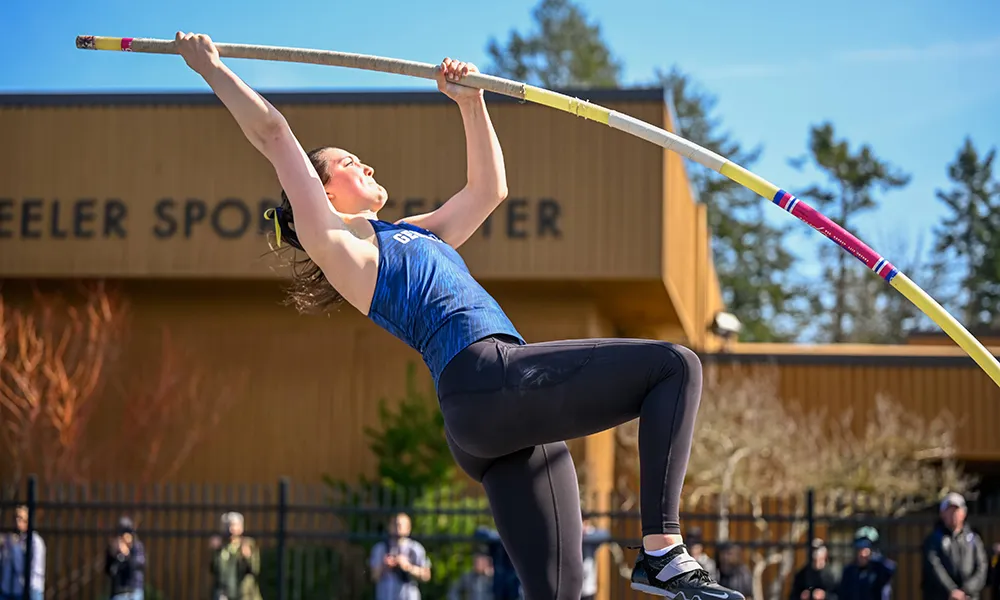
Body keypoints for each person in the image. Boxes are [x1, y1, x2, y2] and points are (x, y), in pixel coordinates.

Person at [173, 30, 742, 600]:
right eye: (347, 162)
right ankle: (663, 551)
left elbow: (489, 189)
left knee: (563, 593)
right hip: (486, 380)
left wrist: (471, 103)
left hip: (489, 415)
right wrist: (211, 69)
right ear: (321, 194)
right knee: (674, 366)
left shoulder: (407, 234)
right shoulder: (344, 248)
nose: (364, 163)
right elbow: (274, 133)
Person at [921, 493, 989, 600]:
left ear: (964, 513)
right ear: (942, 514)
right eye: (949, 510)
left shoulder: (974, 539)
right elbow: (934, 566)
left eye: (956, 510)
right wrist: (952, 590)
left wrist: (966, 590)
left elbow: (982, 567)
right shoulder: (934, 539)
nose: (953, 514)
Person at [368, 512, 432, 600]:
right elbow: (373, 577)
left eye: (400, 525)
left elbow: (426, 575)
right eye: (394, 524)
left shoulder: (415, 548)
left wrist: (408, 567)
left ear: (408, 528)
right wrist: (385, 566)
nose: (397, 528)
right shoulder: (380, 549)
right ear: (389, 527)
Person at [838, 527, 895, 600]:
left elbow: (891, 568)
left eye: (865, 549)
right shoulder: (849, 570)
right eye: (859, 549)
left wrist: (875, 557)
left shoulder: (878, 568)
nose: (862, 554)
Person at [104, 516, 146, 600]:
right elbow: (109, 570)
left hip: (134, 591)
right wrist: (114, 554)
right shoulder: (114, 547)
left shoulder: (137, 546)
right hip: (117, 591)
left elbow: (137, 566)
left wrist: (127, 553)